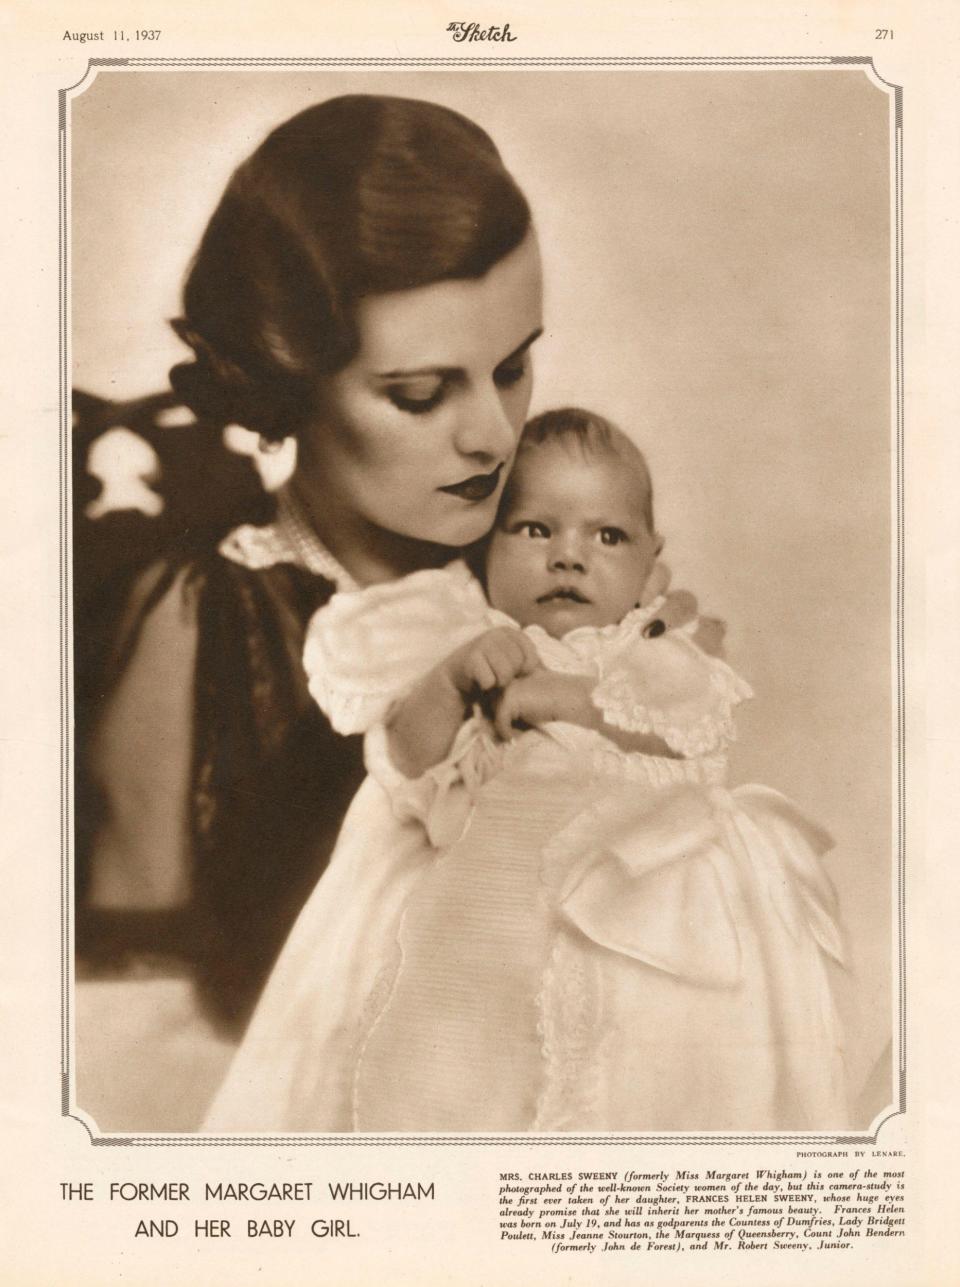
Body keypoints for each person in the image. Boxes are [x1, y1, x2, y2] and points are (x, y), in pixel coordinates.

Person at [76, 94, 704, 1033]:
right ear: (291, 382)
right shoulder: (199, 619)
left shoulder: (551, 557)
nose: (494, 437)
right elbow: (137, 1023)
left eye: (513, 368)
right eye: (418, 395)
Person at [204, 409, 849, 1133]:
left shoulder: (656, 651)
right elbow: (405, 771)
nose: (568, 556)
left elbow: (691, 738)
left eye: (607, 536)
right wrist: (450, 682)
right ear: (485, 545)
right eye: (535, 529)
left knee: (633, 1067)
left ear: (649, 563)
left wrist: (568, 696)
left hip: (628, 903)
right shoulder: (464, 636)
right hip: (473, 911)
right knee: (434, 1040)